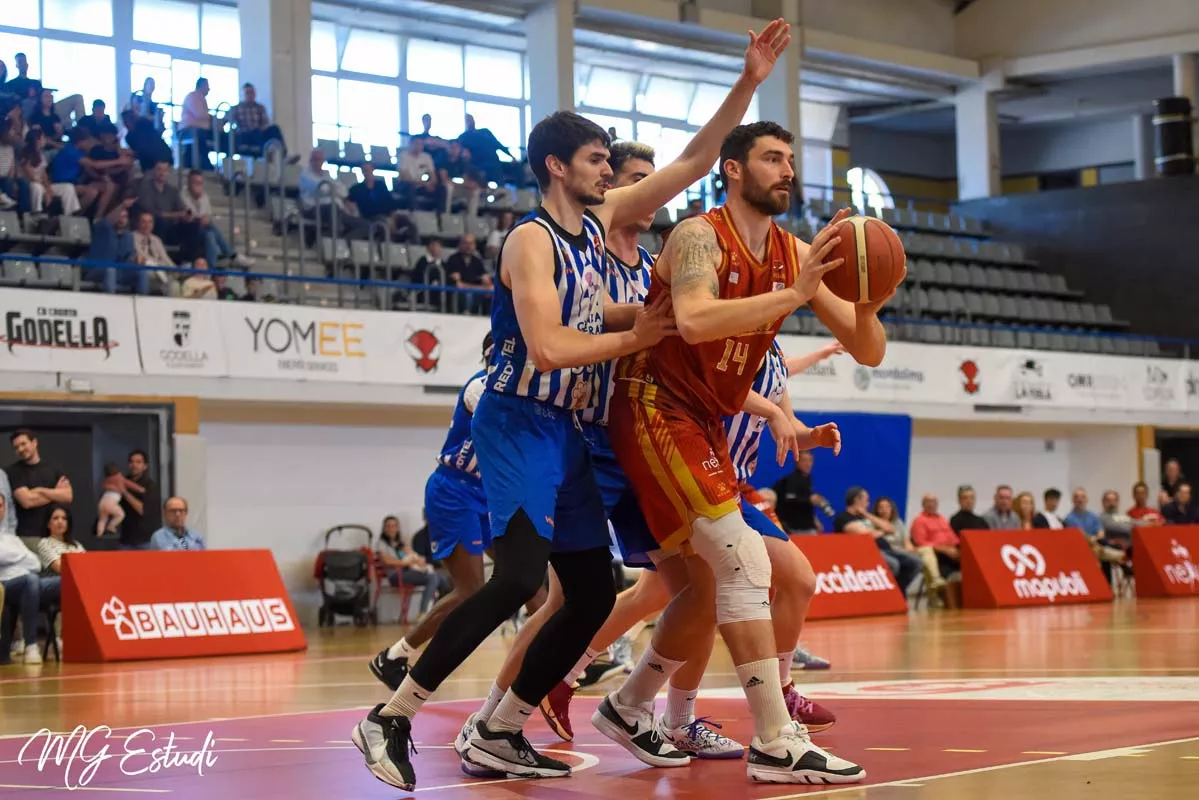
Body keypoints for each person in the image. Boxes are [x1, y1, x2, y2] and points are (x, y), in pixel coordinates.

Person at [352, 21, 791, 790]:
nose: (606, 172)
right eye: (594, 161)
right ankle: (388, 717)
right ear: (558, 166)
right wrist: (638, 335)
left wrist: (748, 82)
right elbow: (550, 347)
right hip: (519, 419)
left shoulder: (597, 227)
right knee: (519, 579)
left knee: (590, 593)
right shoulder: (530, 240)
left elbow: (691, 163)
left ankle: (498, 729)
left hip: (570, 433)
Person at [598, 114, 892, 784]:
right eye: (770, 158)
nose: (786, 170)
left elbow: (867, 348)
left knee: (713, 584)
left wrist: (870, 298)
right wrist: (791, 295)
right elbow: (696, 321)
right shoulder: (698, 235)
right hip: (652, 404)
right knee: (739, 558)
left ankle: (630, 702)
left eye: (789, 159)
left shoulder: (792, 252)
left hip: (704, 421)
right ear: (732, 169)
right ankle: (772, 738)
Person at [369, 334, 549, 690]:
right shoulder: (479, 388)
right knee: (470, 589)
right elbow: (516, 436)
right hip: (454, 489)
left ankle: (544, 663)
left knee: (527, 580)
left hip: (486, 494)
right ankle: (395, 655)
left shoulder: (517, 393)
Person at [375, 515, 448, 619]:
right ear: (384, 528)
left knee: (442, 579)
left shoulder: (399, 543)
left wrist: (418, 560)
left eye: (394, 526)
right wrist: (406, 563)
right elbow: (387, 561)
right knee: (432, 577)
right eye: (388, 526)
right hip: (395, 575)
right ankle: (423, 613)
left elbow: (412, 555)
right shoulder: (381, 544)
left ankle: (442, 612)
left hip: (408, 572)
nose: (391, 529)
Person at [97, 463, 142, 537]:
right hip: (111, 503)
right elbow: (130, 484)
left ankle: (99, 533)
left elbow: (103, 487)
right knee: (120, 515)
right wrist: (140, 489)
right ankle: (111, 526)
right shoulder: (119, 478)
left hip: (102, 502)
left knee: (102, 520)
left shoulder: (106, 480)